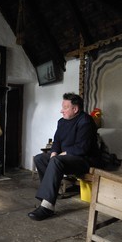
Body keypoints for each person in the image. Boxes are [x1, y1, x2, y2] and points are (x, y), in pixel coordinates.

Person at [28, 92, 102, 221]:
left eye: (65, 107)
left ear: (75, 109)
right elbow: (57, 141)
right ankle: (51, 194)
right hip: (66, 158)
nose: (61, 111)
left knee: (56, 161)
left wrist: (62, 154)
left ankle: (47, 206)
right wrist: (54, 152)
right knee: (40, 158)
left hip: (85, 159)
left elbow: (82, 148)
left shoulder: (86, 121)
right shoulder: (61, 122)